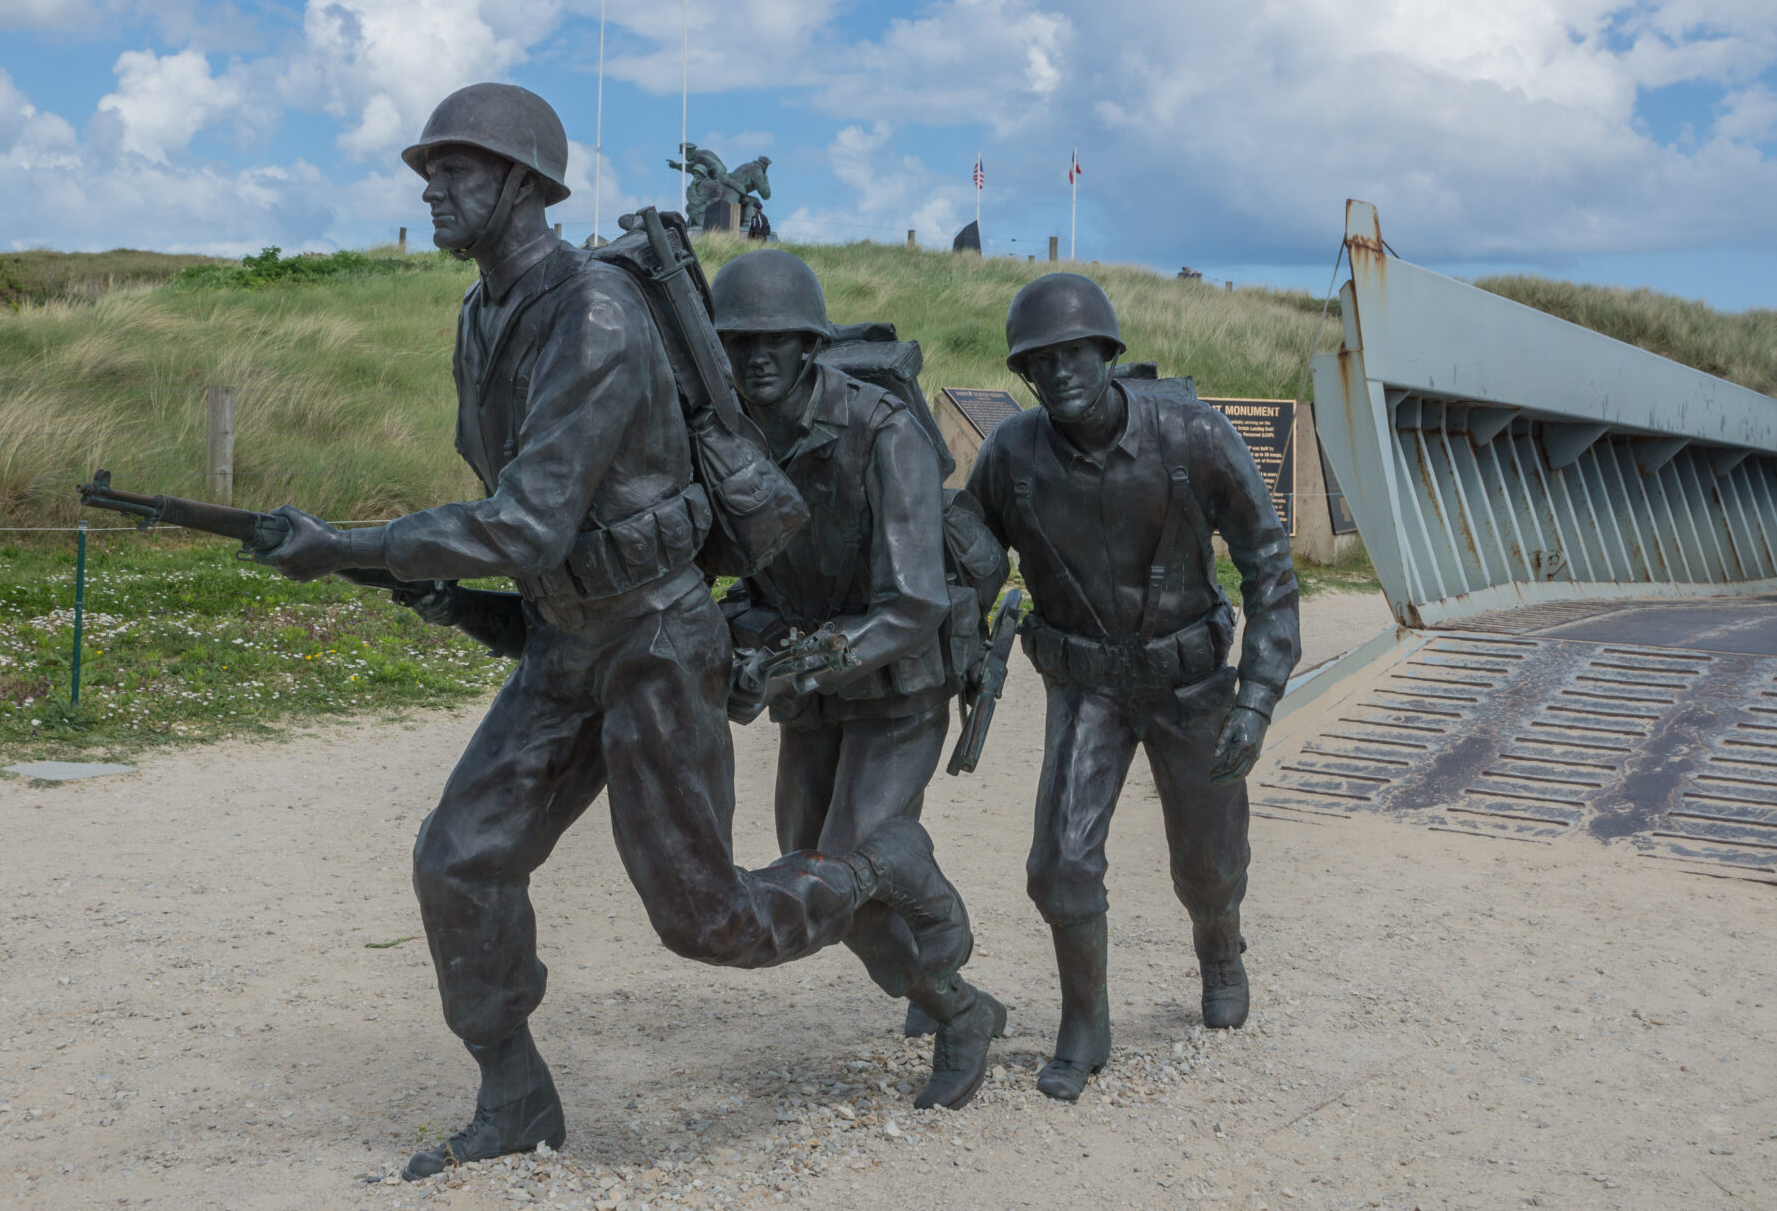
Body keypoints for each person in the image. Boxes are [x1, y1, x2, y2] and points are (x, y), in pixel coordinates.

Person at [250, 83, 973, 1172]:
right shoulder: (481, 313)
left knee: (707, 920)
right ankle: (515, 1098)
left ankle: (878, 876)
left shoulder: (591, 313)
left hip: (653, 642)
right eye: (428, 172)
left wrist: (346, 546)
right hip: (564, 638)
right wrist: (449, 587)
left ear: (523, 185)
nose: (431, 188)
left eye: (454, 170)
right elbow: (530, 516)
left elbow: (527, 516)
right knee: (459, 860)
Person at [964, 273, 1300, 1102]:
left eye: (1075, 353)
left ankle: (1220, 949)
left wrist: (1256, 695)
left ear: (1108, 353)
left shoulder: (1193, 435)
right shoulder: (1011, 456)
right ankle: (1087, 1022)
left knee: (1210, 860)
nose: (1059, 373)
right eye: (1039, 363)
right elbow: (965, 555)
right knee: (1059, 865)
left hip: (1192, 681)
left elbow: (1269, 564)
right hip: (1089, 688)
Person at [713, 249, 1005, 1110]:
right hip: (810, 688)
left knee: (837, 875)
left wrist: (796, 661)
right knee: (808, 858)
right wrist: (741, 643)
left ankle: (956, 1001)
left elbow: (913, 600)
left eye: (778, 338)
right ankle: (925, 936)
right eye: (740, 342)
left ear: (810, 341)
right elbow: (739, 572)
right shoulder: (728, 434)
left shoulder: (883, 430)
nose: (758, 356)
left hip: (898, 682)